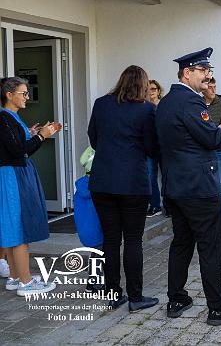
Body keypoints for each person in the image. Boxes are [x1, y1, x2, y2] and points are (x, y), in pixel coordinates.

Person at [156, 47, 221, 326]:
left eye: (209, 72)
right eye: (203, 71)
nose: (208, 77)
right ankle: (219, 308)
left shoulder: (166, 102)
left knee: (182, 243)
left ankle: (176, 298)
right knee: (209, 247)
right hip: (198, 188)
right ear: (187, 73)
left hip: (176, 186)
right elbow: (213, 140)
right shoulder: (191, 103)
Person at [88, 66, 159, 312]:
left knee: (110, 240)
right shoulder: (147, 109)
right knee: (132, 240)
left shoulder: (101, 104)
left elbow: (93, 139)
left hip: (102, 181)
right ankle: (136, 297)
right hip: (133, 184)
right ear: (142, 85)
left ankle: (113, 294)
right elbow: (151, 147)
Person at [0, 77, 60, 296]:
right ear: (9, 95)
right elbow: (17, 150)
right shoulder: (5, 118)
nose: (27, 97)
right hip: (13, 176)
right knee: (18, 227)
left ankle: (16, 278)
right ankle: (26, 283)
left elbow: (18, 146)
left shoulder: (10, 118)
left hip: (14, 173)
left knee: (14, 226)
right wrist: (42, 136)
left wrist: (35, 134)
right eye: (24, 93)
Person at [203, 78, 221, 231]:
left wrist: (217, 129)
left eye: (215, 86)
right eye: (210, 87)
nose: (213, 90)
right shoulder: (197, 103)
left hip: (219, 150)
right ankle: (209, 219)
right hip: (202, 151)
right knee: (205, 185)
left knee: (220, 185)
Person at [146, 79, 164, 218]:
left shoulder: (164, 106)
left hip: (164, 147)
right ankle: (155, 205)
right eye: (149, 89)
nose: (151, 91)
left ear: (158, 91)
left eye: (153, 89)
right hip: (149, 147)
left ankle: (169, 206)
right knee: (151, 177)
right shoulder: (144, 107)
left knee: (167, 177)